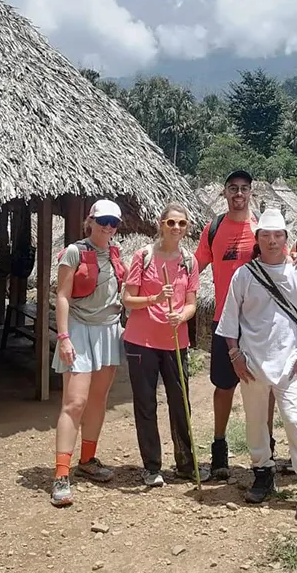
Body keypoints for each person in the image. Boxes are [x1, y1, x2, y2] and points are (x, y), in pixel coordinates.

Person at [196, 170, 297, 479]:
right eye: (233, 188)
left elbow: (282, 255)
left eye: (244, 188)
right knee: (223, 386)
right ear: (224, 192)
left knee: (265, 387)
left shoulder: (260, 229)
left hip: (259, 326)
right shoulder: (213, 228)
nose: (239, 194)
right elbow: (195, 267)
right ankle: (219, 451)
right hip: (224, 320)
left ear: (252, 193)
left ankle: (266, 452)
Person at [216, 207, 297, 518]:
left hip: (290, 361)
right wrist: (235, 355)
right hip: (251, 361)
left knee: (295, 420)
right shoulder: (244, 274)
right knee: (254, 422)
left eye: (278, 235)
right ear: (258, 238)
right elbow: (230, 319)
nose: (272, 241)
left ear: (286, 238)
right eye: (266, 235)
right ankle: (263, 473)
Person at [121, 203, 210, 487]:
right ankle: (151, 466)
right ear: (161, 224)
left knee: (180, 403)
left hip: (175, 341)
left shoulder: (189, 262)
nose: (176, 228)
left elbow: (192, 303)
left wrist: (180, 315)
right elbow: (128, 299)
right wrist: (155, 300)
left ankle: (185, 464)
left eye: (181, 224)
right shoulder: (142, 256)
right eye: (171, 222)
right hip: (141, 341)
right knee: (145, 403)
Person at [49, 199, 127, 508]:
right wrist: (64, 337)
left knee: (98, 399)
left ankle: (88, 459)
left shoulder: (116, 253)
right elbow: (63, 296)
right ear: (91, 221)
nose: (109, 227)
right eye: (104, 220)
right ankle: (60, 474)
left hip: (108, 328)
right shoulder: (74, 251)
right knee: (75, 401)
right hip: (80, 329)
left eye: (114, 222)